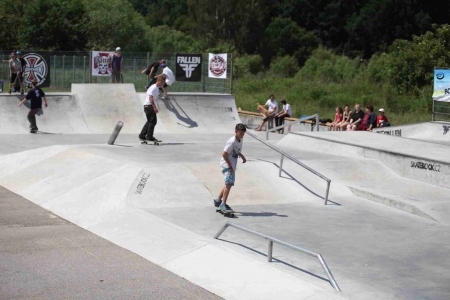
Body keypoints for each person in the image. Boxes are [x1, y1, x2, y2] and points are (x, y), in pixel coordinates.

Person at [213, 123, 247, 213]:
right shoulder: (231, 141)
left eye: (243, 134)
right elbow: (224, 154)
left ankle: (218, 200)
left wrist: (242, 156)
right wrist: (230, 166)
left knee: (228, 183)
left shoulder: (240, 140)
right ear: (236, 132)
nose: (242, 136)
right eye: (240, 134)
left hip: (231, 165)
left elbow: (236, 151)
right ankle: (223, 204)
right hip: (226, 165)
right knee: (229, 184)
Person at [139, 77, 164, 142]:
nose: (162, 84)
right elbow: (150, 98)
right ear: (159, 81)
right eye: (162, 82)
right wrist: (154, 107)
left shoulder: (156, 88)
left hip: (147, 106)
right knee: (153, 121)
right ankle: (149, 136)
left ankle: (142, 135)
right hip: (149, 106)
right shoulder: (154, 87)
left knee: (149, 121)